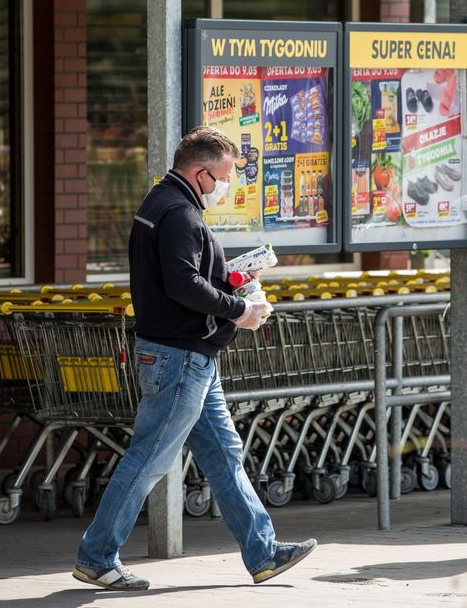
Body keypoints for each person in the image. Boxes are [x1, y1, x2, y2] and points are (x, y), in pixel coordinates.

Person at [73, 126, 317, 590]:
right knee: (148, 458)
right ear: (201, 172)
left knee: (224, 454)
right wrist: (241, 309)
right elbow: (182, 284)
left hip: (189, 356)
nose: (227, 187)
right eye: (223, 177)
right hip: (180, 357)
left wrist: (227, 276)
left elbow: (183, 275)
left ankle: (262, 552)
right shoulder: (179, 212)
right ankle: (97, 555)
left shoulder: (161, 203)